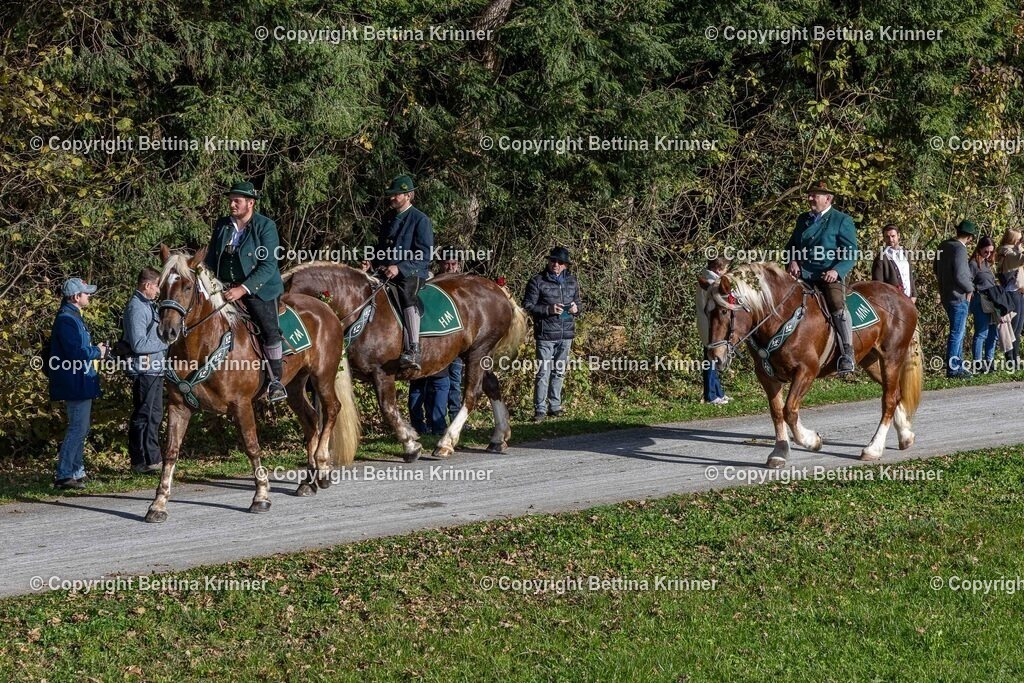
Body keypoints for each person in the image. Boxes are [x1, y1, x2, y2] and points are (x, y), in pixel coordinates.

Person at [203, 180, 287, 401]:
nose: (232, 204)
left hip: (260, 289)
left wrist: (243, 289)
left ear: (250, 203)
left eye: (236, 201)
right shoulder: (223, 225)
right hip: (224, 287)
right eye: (230, 200)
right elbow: (211, 259)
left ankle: (275, 381)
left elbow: (268, 265)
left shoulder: (265, 226)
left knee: (268, 329)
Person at [784, 181, 859, 376]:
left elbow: (851, 253)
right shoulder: (803, 220)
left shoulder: (841, 220)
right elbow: (791, 246)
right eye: (809, 195)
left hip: (827, 275)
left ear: (828, 199)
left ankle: (847, 352)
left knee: (836, 304)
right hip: (803, 275)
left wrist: (836, 271)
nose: (810, 199)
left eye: (814, 195)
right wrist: (792, 260)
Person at [362, 174, 434, 371]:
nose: (391, 198)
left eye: (396, 195)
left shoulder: (421, 220)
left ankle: (413, 348)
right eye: (391, 195)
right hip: (386, 271)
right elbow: (382, 248)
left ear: (408, 195)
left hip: (413, 272)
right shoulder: (388, 218)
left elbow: (425, 255)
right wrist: (371, 262)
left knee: (406, 292)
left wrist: (400, 267)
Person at [49, 278, 106, 489]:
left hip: (80, 379)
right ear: (75, 297)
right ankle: (64, 475)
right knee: (77, 428)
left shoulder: (73, 317)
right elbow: (75, 353)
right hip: (75, 381)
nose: (89, 296)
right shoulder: (67, 319)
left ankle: (77, 471)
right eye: (86, 293)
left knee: (81, 428)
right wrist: (97, 352)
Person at [523, 246, 582, 422]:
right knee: (543, 372)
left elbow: (579, 305)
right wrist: (549, 309)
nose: (555, 264)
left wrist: (576, 309)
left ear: (565, 265)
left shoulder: (572, 281)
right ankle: (540, 408)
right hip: (546, 334)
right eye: (553, 261)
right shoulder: (537, 281)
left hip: (566, 334)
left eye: (560, 262)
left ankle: (555, 406)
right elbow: (527, 305)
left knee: (559, 371)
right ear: (548, 261)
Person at [123, 266, 167, 474]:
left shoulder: (148, 305)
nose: (159, 290)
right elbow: (139, 345)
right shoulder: (137, 308)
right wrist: (166, 342)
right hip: (144, 370)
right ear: (147, 285)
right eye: (157, 286)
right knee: (144, 415)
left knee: (155, 414)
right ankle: (142, 460)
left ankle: (151, 458)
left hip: (156, 369)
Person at [934, 220, 978, 378]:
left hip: (946, 294)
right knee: (957, 333)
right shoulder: (960, 249)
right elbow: (960, 275)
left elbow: (935, 268)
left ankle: (958, 366)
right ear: (970, 237)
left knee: (958, 331)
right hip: (958, 296)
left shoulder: (943, 245)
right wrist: (970, 288)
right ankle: (953, 369)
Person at [696, 257, 731, 405]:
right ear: (718, 269)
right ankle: (711, 395)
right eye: (725, 269)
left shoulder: (708, 279)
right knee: (710, 360)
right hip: (710, 326)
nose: (726, 272)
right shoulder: (712, 283)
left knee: (714, 360)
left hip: (708, 323)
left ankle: (718, 392)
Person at [996, 229, 1024, 365]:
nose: (1020, 242)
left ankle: (1014, 358)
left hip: (1018, 292)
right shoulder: (1007, 252)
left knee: (1017, 329)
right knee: (1013, 329)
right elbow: (1020, 259)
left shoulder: (1012, 251)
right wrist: (1019, 248)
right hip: (1013, 293)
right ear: (1013, 240)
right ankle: (1011, 360)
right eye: (1019, 239)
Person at [871, 224, 917, 304]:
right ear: (884, 238)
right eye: (887, 237)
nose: (890, 239)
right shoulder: (881, 259)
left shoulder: (905, 253)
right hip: (893, 303)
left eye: (893, 236)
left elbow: (910, 276)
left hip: (909, 301)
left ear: (898, 236)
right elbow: (878, 285)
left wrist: (914, 295)